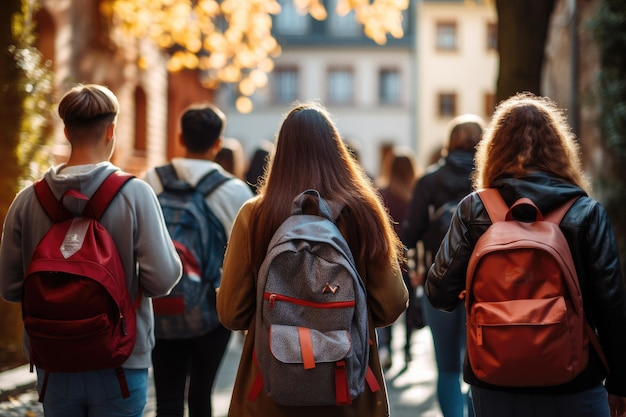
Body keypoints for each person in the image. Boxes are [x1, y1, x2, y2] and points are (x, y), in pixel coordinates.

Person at [425, 92, 626, 417]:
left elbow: (439, 294)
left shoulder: (475, 210)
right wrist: (620, 384)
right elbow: (612, 307)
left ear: (493, 149)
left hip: (494, 381)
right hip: (575, 379)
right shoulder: (585, 212)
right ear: (560, 149)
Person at [0, 83, 183, 417]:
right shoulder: (135, 194)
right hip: (121, 360)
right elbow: (163, 279)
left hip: (53, 361)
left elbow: (11, 288)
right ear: (111, 130)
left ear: (66, 130)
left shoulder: (27, 200)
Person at [216, 102, 409, 417]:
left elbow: (231, 314)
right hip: (349, 392)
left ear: (281, 154)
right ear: (337, 151)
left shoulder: (256, 215)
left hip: (268, 394)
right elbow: (392, 304)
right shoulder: (364, 213)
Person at [143, 103, 254, 417]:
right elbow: (247, 258)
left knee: (167, 397)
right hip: (211, 310)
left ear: (180, 137)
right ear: (218, 144)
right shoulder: (234, 192)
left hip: (159, 304)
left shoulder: (149, 180)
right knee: (201, 394)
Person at [401, 114, 485, 417]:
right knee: (482, 366)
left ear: (449, 144)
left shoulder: (429, 181)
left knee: (448, 367)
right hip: (486, 284)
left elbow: (408, 235)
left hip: (441, 281)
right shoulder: (489, 181)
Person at [376, 146, 419, 369]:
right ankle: (408, 349)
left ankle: (387, 347)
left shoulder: (381, 194)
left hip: (389, 258)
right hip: (412, 258)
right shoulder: (416, 194)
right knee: (410, 305)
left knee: (389, 303)